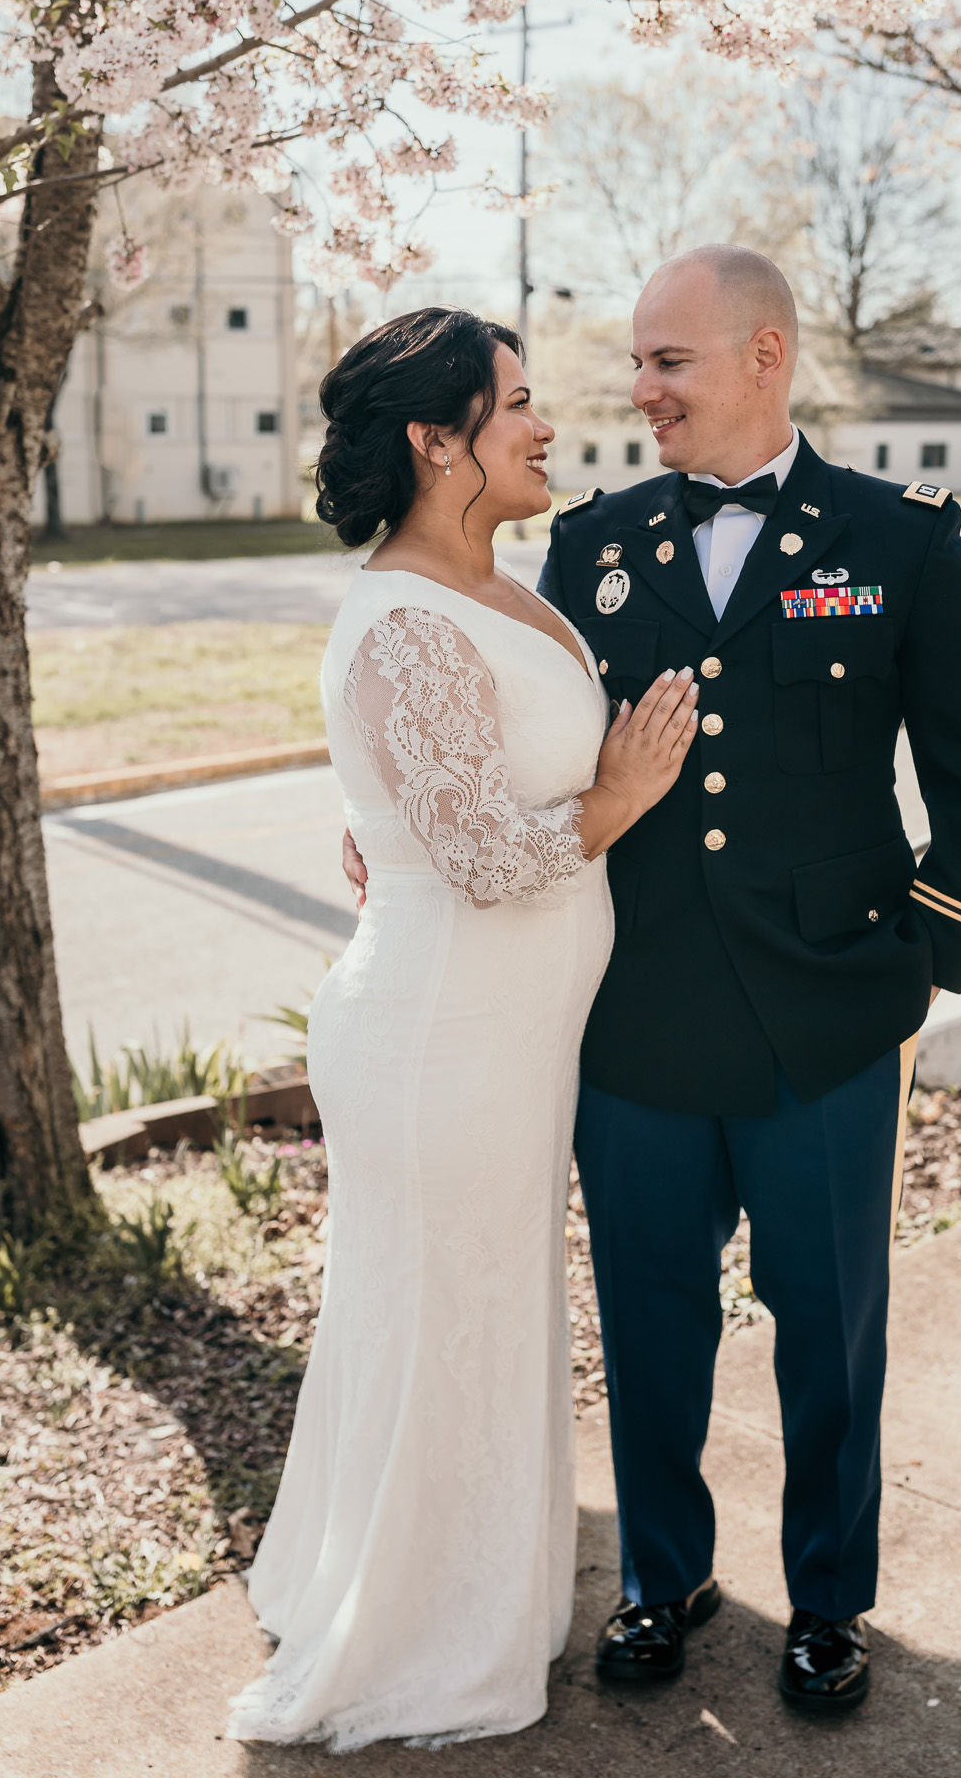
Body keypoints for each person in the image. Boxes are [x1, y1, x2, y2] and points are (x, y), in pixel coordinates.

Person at [535, 246, 961, 1713]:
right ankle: (660, 1577)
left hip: (828, 1021)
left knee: (830, 1327)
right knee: (648, 1321)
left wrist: (923, 964)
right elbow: (537, 760)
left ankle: (828, 1599)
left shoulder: (903, 539)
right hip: (637, 1015)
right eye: (636, 362)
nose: (640, 391)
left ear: (766, 356)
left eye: (668, 363)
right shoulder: (593, 547)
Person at [228, 307, 698, 1749]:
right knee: (445, 1319)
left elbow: (446, 797)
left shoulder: (500, 586)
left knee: (470, 1316)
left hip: (503, 1038)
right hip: (440, 1041)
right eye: (515, 405)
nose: (546, 424)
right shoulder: (403, 615)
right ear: (438, 443)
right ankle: (410, 1634)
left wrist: (408, 823)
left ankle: (435, 1585)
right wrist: (618, 800)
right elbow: (490, 863)